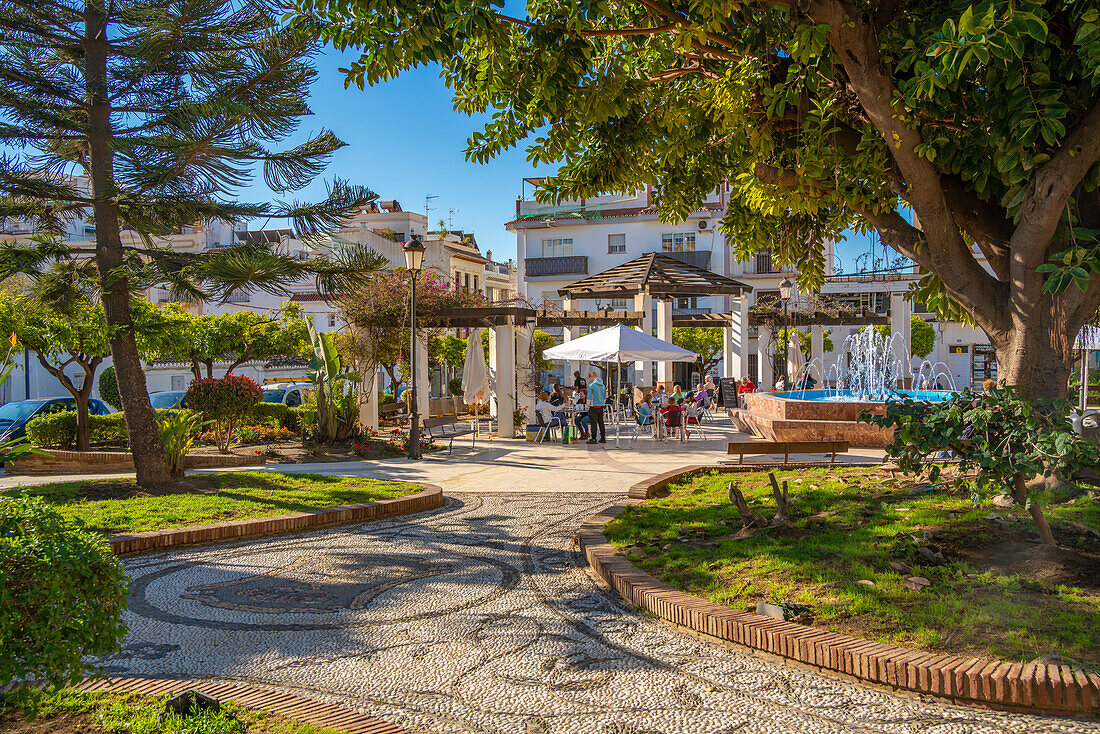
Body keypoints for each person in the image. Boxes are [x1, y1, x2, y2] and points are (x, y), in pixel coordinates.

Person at [586, 370, 607, 444]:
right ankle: (603, 437)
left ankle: (594, 438)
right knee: (601, 422)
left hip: (593, 406)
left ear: (592, 377)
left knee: (593, 423)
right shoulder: (603, 385)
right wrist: (602, 403)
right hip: (600, 406)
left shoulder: (591, 386)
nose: (590, 380)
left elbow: (589, 397)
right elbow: (605, 396)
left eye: (590, 378)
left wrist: (587, 405)